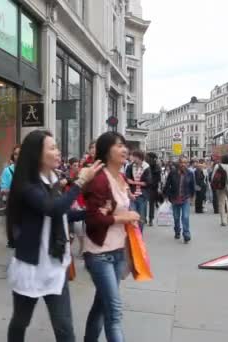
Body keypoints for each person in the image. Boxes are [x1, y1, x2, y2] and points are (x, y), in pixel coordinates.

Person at [6, 130, 102, 342]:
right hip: (31, 267)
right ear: (37, 154)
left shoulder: (53, 180)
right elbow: (52, 209)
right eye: (52, 148)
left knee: (65, 330)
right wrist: (79, 183)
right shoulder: (26, 185)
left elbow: (63, 213)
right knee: (21, 321)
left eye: (57, 147)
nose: (58, 152)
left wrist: (92, 212)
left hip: (55, 265)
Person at [83, 132, 140, 342]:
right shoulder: (99, 180)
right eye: (118, 145)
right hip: (99, 254)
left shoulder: (122, 177)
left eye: (125, 145)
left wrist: (125, 216)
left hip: (118, 251)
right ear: (106, 151)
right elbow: (92, 219)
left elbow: (116, 210)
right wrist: (123, 218)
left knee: (101, 306)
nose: (124, 149)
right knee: (114, 312)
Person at [163, 157, 195, 243]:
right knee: (176, 217)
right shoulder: (173, 173)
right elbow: (167, 184)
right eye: (181, 162)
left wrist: (192, 197)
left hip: (185, 198)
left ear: (187, 164)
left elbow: (192, 186)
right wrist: (165, 195)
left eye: (185, 163)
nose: (183, 164)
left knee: (185, 217)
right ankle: (177, 230)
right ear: (179, 163)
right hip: (175, 198)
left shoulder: (190, 173)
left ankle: (186, 234)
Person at [126, 151, 151, 228]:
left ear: (139, 158)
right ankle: (133, 236)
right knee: (132, 217)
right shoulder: (130, 167)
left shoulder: (146, 167)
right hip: (132, 195)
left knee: (141, 217)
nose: (133, 158)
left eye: (134, 157)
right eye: (133, 156)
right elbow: (127, 180)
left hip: (142, 196)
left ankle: (139, 236)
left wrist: (133, 182)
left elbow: (147, 183)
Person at [1, 145, 20, 248]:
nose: (18, 156)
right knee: (12, 224)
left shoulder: (29, 170)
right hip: (12, 203)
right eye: (16, 154)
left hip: (26, 204)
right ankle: (13, 241)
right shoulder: (7, 171)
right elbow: (3, 190)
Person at [147, 153, 161, 226]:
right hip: (146, 187)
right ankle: (146, 218)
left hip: (152, 187)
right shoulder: (146, 165)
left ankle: (150, 219)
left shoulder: (157, 167)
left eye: (148, 158)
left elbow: (158, 179)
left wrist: (152, 184)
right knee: (145, 203)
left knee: (151, 204)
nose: (147, 159)